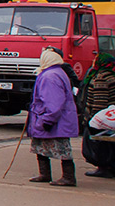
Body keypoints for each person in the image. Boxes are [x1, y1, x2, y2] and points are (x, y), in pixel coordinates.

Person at [27, 47, 80, 186]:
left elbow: (54, 102)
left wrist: (47, 120)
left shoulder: (49, 76)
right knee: (42, 146)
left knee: (60, 148)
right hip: (55, 118)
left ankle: (67, 177)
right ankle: (46, 174)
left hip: (52, 119)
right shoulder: (58, 72)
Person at [79, 52, 115, 178]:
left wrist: (94, 120)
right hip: (111, 117)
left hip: (101, 118)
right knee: (110, 143)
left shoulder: (101, 78)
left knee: (99, 144)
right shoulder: (112, 77)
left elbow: (99, 101)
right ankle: (112, 167)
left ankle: (103, 167)